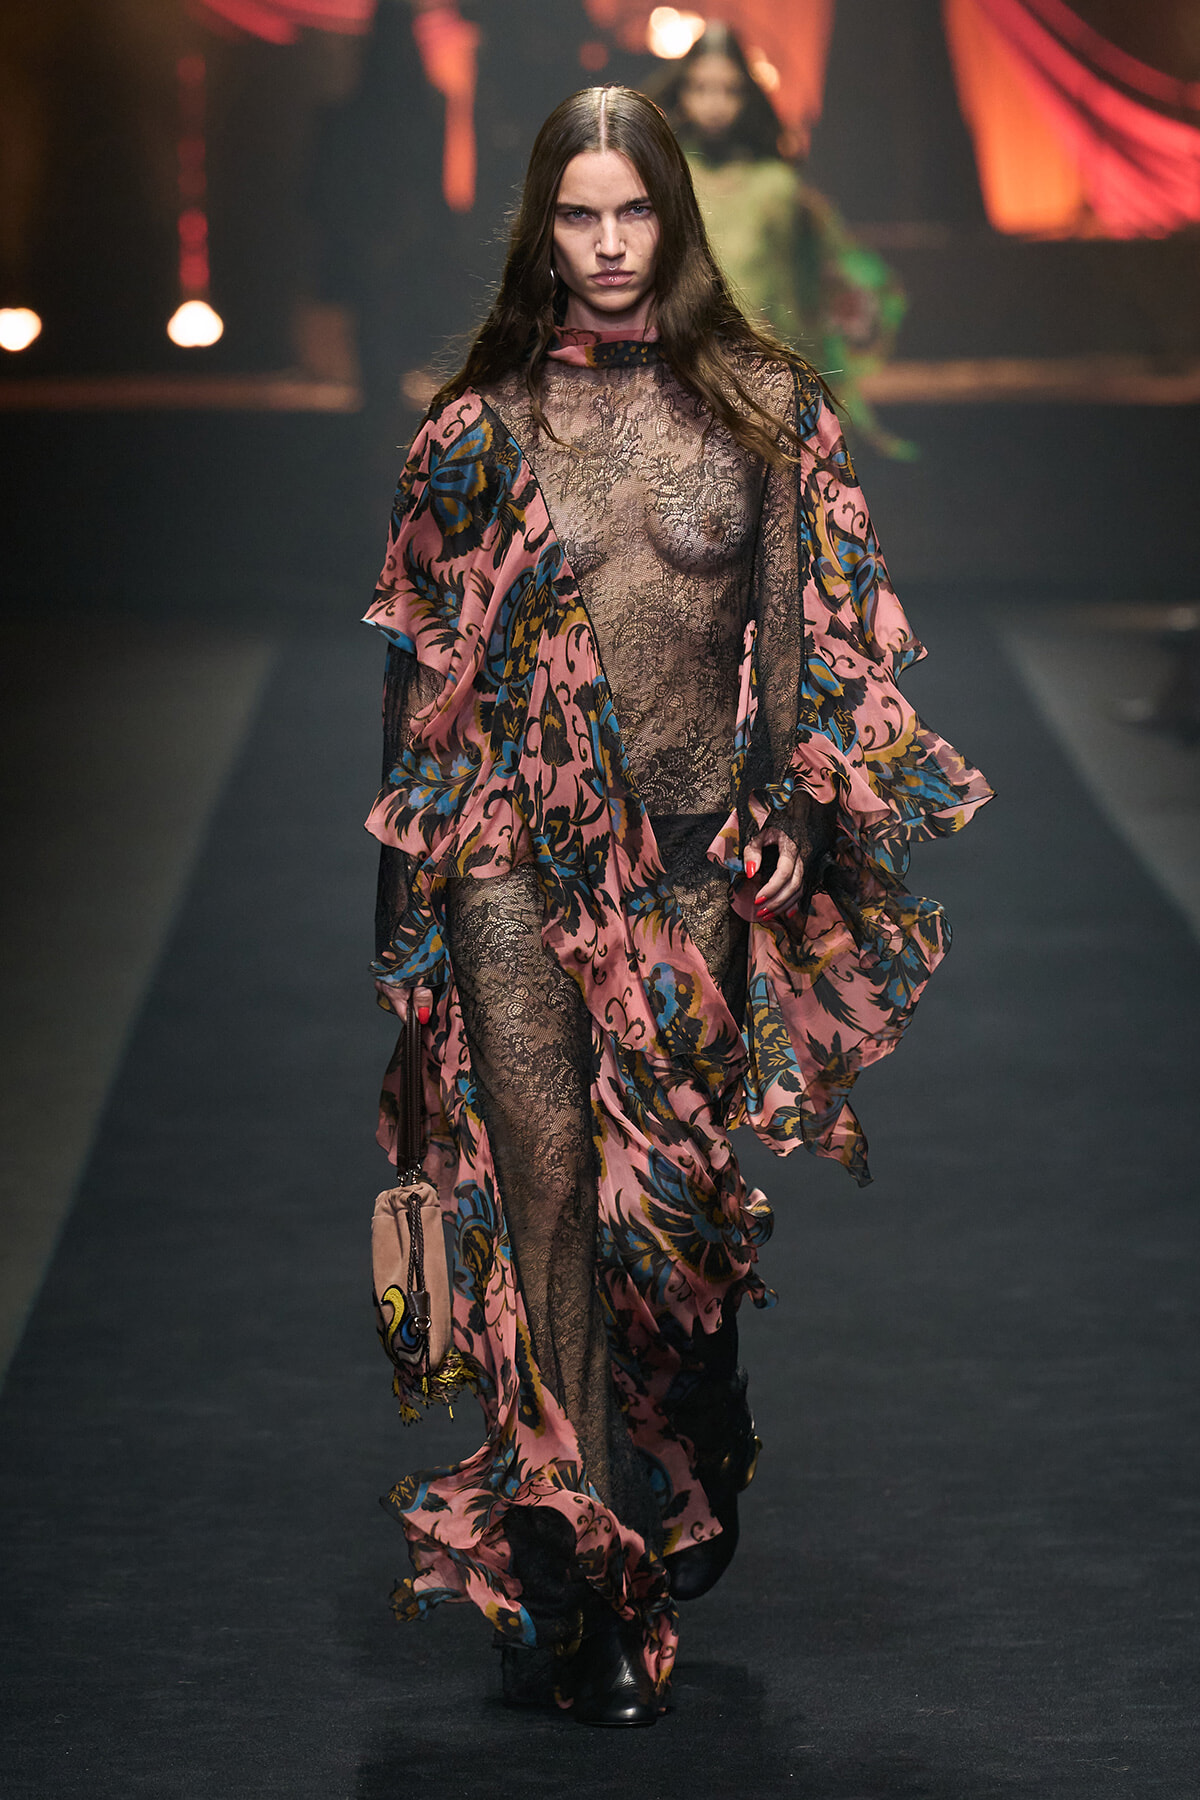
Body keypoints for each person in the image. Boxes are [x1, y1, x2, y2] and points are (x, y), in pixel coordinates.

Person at [363, 84, 990, 1727]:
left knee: (666, 1220)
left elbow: (806, 643)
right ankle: (584, 1578)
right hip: (513, 855)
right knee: (547, 1197)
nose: (608, 243)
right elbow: (422, 668)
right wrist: (400, 909)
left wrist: (795, 811)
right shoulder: (478, 424)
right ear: (540, 230)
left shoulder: (765, 407)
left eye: (632, 210)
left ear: (676, 218)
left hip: (699, 856)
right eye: (577, 215)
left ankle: (693, 1415)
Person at [657, 23, 917, 461]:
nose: (714, 104)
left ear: (748, 96)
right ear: (681, 92)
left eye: (729, 90)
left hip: (763, 371)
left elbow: (820, 275)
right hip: (680, 367)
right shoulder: (665, 177)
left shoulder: (777, 188)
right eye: (700, 88)